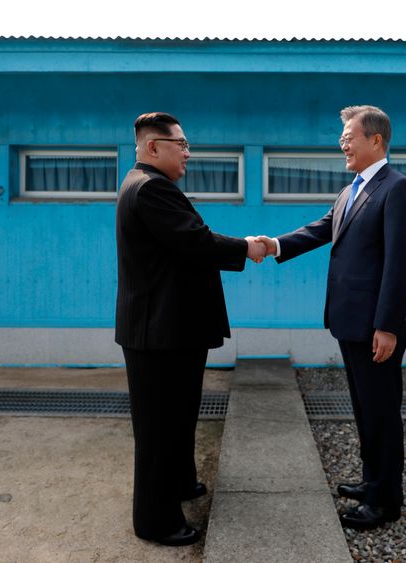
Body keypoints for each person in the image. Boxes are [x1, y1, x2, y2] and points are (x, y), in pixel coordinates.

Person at [256, 105, 406, 530]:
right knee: (365, 407)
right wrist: (274, 244)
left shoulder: (397, 188)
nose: (342, 143)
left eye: (350, 136)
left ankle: (385, 501)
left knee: (382, 410)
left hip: (377, 325)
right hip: (350, 321)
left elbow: (400, 264)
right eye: (342, 137)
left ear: (376, 141)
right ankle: (372, 481)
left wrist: (386, 326)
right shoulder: (352, 190)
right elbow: (322, 228)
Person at [115, 112, 265, 546]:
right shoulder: (149, 189)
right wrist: (248, 248)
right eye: (178, 143)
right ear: (152, 147)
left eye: (186, 143)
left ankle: (181, 484)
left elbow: (188, 240)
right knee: (159, 429)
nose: (187, 152)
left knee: (179, 417)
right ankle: (156, 521)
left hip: (171, 330)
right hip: (157, 334)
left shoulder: (153, 187)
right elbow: (197, 241)